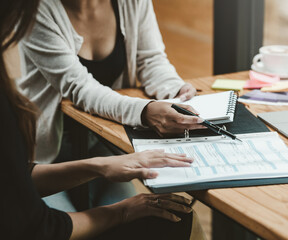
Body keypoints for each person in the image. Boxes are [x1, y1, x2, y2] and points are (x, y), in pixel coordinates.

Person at [0, 2, 198, 239]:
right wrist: (146, 111)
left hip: (103, 147)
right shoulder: (34, 8)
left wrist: (175, 91)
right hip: (44, 155)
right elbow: (80, 87)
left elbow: (151, 59)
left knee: (163, 215)